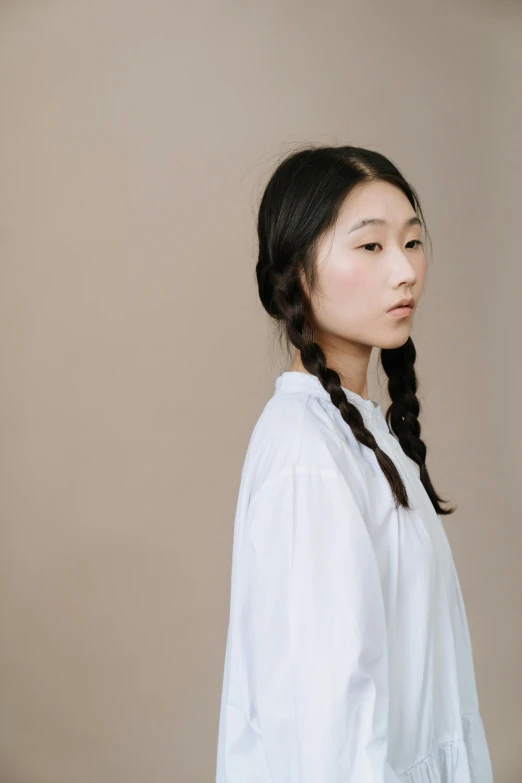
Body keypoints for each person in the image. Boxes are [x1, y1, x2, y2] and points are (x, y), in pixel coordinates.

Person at [214, 145, 494, 782]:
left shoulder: (359, 431)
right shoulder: (308, 455)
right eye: (370, 247)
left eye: (413, 242)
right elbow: (327, 724)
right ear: (296, 273)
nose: (405, 271)